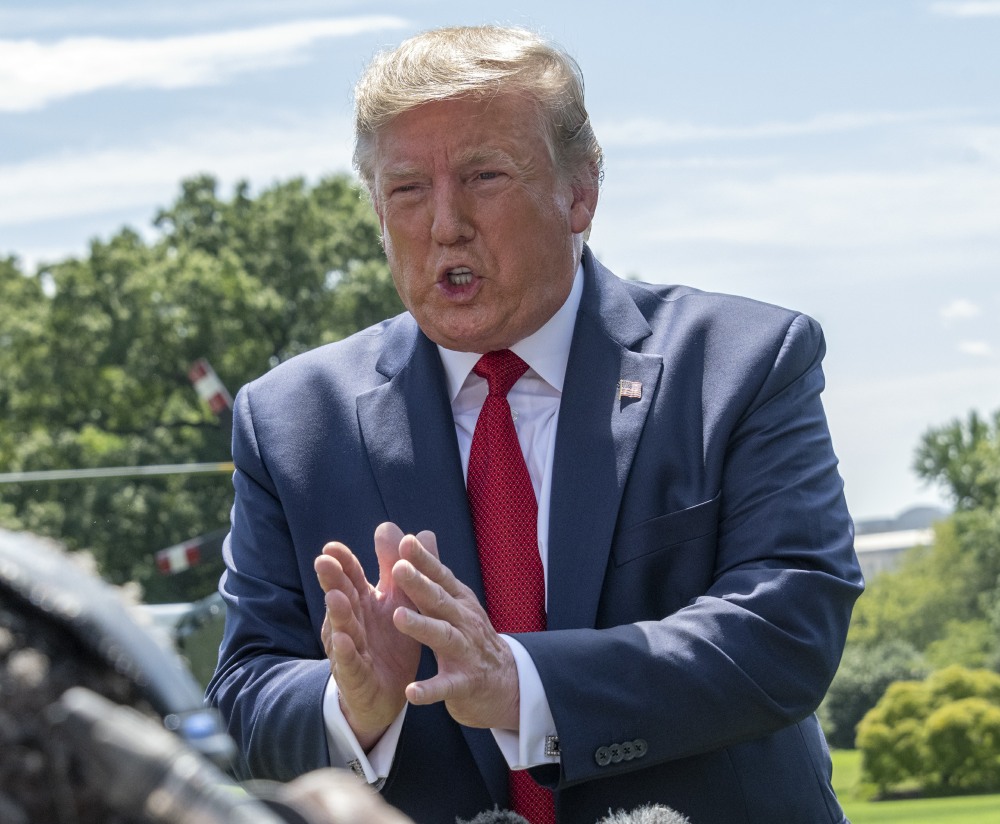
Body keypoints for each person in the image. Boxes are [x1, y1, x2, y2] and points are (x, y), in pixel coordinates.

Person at [206, 24, 864, 824]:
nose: (445, 224)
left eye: (484, 176)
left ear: (580, 190)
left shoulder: (742, 362)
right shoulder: (289, 421)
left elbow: (786, 629)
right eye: (408, 190)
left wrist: (519, 683)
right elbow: (242, 699)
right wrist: (351, 705)